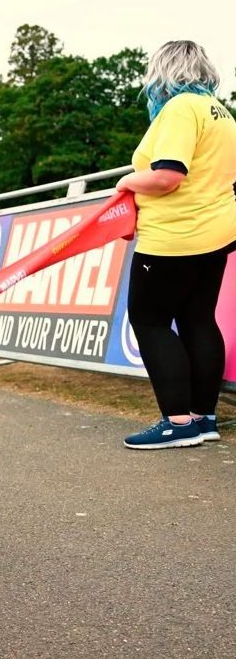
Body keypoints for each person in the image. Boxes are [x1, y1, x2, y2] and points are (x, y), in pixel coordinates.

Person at [117, 40, 236, 450]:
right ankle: (203, 418)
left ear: (163, 72)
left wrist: (126, 182)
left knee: (149, 320)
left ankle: (178, 422)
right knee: (198, 319)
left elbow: (168, 176)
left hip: (174, 236)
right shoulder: (222, 113)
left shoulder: (180, 108)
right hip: (216, 233)